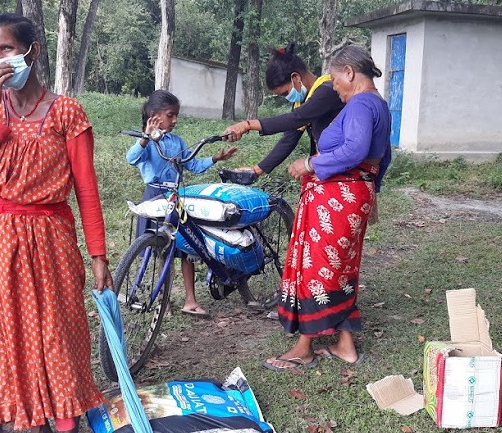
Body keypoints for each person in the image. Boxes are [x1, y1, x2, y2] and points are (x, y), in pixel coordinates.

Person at [0, 13, 113, 433]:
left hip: (51, 236)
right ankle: (37, 426)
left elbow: (86, 189)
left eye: (6, 49)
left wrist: (99, 254)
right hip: (1, 238)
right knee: (13, 335)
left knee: (57, 332)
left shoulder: (66, 111)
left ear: (33, 50)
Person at [262, 45, 392, 371]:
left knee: (316, 270)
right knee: (341, 269)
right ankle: (345, 345)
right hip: (354, 196)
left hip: (338, 199)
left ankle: (304, 348)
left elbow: (355, 149)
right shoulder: (379, 104)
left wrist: (309, 162)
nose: (333, 86)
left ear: (349, 72)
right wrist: (371, 192)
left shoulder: (362, 103)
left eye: (335, 79)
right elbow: (382, 156)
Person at [126, 90, 237, 317]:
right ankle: (160, 301)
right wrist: (146, 137)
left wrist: (215, 159)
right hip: (155, 198)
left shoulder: (177, 141)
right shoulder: (147, 142)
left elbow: (192, 165)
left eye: (176, 115)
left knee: (186, 249)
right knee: (160, 251)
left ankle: (190, 300)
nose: (175, 120)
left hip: (177, 198)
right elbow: (132, 158)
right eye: (170, 115)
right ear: (154, 115)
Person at [223, 43, 344, 176]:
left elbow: (294, 119)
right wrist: (256, 170)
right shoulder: (301, 102)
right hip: (325, 166)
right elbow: (289, 140)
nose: (287, 98)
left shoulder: (327, 91)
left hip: (345, 167)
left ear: (296, 78)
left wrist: (248, 124)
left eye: (285, 93)